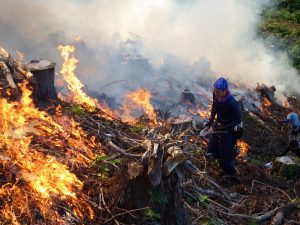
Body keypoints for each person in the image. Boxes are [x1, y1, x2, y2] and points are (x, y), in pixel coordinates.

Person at [205, 77, 242, 180]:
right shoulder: (215, 95)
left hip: (229, 131)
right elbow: (214, 106)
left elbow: (237, 120)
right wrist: (211, 120)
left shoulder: (232, 103)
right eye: (215, 91)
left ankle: (232, 175)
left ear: (225, 91)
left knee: (225, 157)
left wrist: (224, 127)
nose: (216, 94)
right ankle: (217, 168)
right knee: (211, 150)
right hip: (219, 126)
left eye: (218, 92)